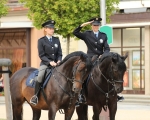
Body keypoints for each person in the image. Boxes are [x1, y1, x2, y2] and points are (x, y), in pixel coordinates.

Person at [73, 17, 124, 107]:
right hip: (90, 58)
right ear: (91, 26)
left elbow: (107, 48)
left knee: (111, 73)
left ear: (99, 26)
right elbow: (75, 32)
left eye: (97, 25)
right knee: (84, 74)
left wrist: (104, 55)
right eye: (94, 25)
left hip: (101, 59)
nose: (96, 27)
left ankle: (115, 95)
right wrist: (83, 25)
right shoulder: (87, 34)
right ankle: (81, 95)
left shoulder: (103, 35)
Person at [30, 20, 62, 105]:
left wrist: (59, 60)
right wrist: (49, 62)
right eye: (50, 28)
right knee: (40, 77)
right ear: (45, 29)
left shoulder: (56, 40)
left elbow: (59, 53)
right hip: (46, 64)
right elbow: (41, 55)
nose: (52, 30)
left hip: (57, 64)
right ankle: (35, 96)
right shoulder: (41, 41)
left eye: (53, 28)